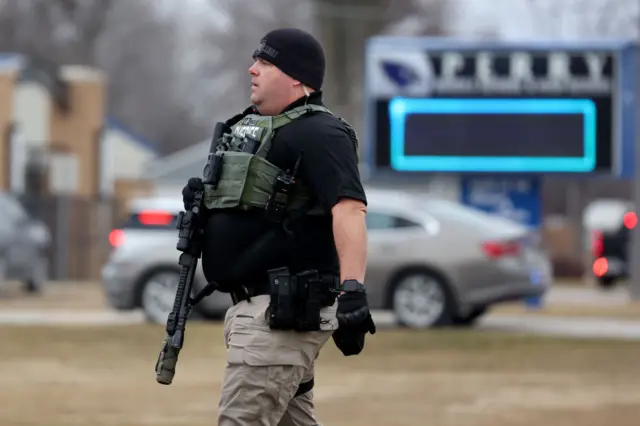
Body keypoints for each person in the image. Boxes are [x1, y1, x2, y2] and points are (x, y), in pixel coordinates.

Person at [181, 27, 376, 425]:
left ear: (296, 77)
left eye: (265, 62)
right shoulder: (253, 130)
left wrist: (353, 289)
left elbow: (349, 209)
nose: (252, 70)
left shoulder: (320, 132)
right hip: (255, 314)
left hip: (280, 314)